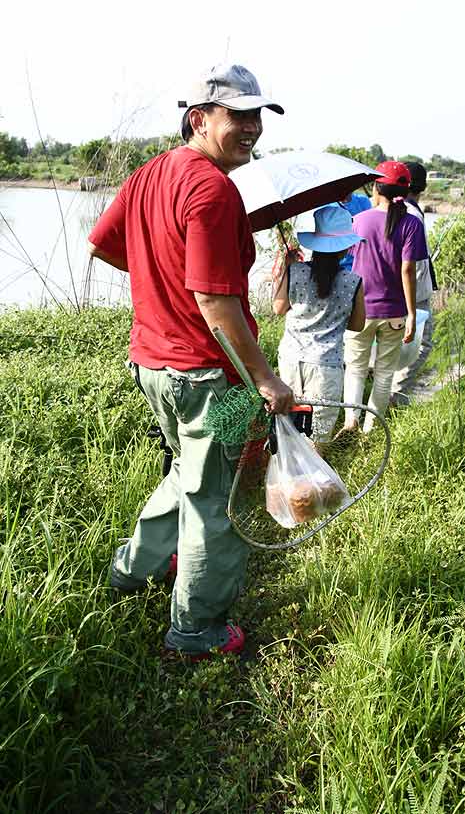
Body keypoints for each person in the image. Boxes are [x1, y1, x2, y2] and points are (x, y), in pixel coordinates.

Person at [87, 64, 294, 662]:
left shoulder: (151, 173)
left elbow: (104, 244)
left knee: (188, 472)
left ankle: (132, 571)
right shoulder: (210, 188)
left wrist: (163, 283)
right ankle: (196, 630)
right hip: (211, 377)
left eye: (258, 116)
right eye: (239, 116)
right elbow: (213, 299)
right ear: (199, 119)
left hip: (153, 364)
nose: (252, 128)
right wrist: (264, 378)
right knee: (218, 501)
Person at [343, 161, 427, 432]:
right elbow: (407, 269)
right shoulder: (412, 223)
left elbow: (348, 261)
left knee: (355, 368)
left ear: (377, 188)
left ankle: (350, 423)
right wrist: (412, 314)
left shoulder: (358, 221)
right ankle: (371, 431)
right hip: (395, 312)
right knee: (384, 374)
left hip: (360, 309)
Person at [273, 205, 366, 443]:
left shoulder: (296, 271)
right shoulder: (353, 281)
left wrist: (286, 268)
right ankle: (313, 478)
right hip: (326, 364)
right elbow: (357, 326)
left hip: (291, 359)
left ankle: (284, 475)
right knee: (318, 435)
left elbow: (278, 308)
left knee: (287, 427)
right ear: (345, 247)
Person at [390, 162, 437, 405]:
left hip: (401, 291)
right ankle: (395, 396)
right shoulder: (413, 213)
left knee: (399, 345)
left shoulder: (396, 209)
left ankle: (391, 393)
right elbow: (413, 264)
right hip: (414, 294)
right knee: (421, 345)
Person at [339, 192, 372, 272]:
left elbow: (370, 230)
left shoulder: (363, 200)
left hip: (365, 263)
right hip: (341, 265)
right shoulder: (329, 207)